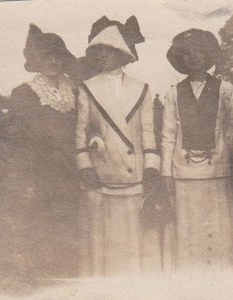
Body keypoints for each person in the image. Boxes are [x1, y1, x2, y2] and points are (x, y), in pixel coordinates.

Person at [0, 24, 80, 285]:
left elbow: (83, 124)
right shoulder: (25, 92)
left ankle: (66, 276)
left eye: (57, 56)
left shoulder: (75, 91)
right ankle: (40, 276)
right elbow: (23, 134)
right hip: (40, 168)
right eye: (46, 57)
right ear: (36, 61)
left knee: (68, 218)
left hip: (70, 168)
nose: (52, 62)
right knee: (40, 217)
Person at [75, 16, 167, 276]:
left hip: (135, 176)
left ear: (121, 53)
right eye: (99, 50)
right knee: (105, 244)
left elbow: (149, 134)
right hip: (102, 177)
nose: (102, 55)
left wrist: (151, 168)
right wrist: (85, 166)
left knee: (137, 240)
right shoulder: (87, 87)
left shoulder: (143, 89)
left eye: (108, 50)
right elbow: (81, 133)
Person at [161, 29, 233, 271]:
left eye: (198, 51)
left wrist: (220, 154)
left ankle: (217, 274)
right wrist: (166, 171)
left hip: (215, 171)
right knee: (188, 223)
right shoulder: (174, 92)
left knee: (215, 223)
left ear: (208, 55)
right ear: (180, 59)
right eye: (187, 53)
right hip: (183, 172)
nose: (193, 57)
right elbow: (168, 134)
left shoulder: (226, 89)